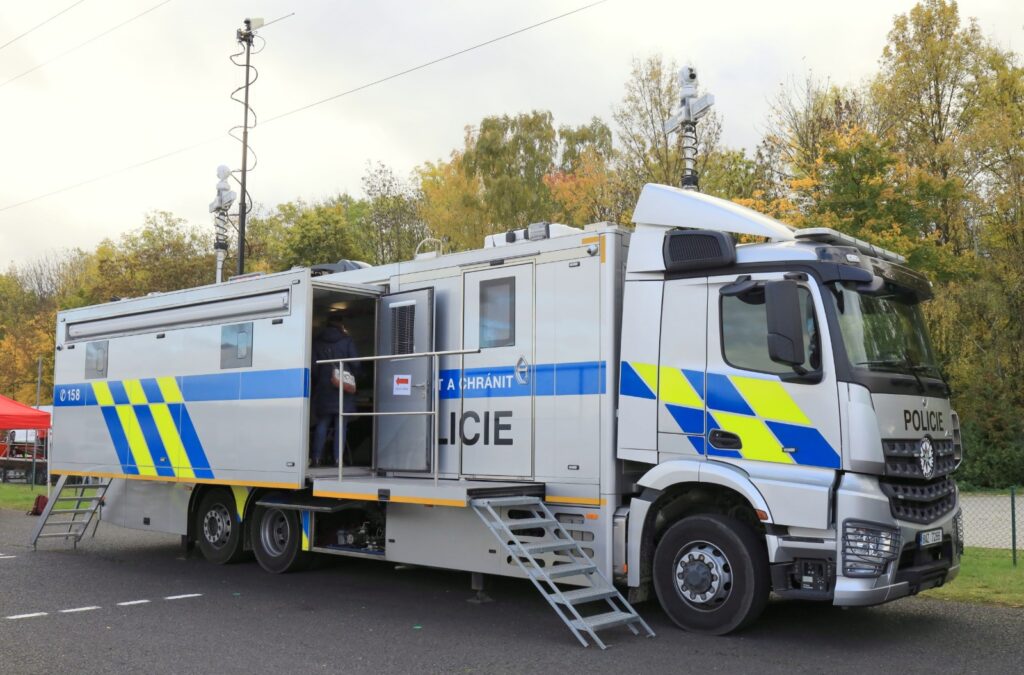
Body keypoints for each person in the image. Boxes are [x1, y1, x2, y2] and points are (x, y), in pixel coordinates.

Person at [311, 312, 359, 467]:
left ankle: (316, 458)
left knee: (322, 423)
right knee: (341, 425)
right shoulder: (347, 340)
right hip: (342, 388)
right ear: (341, 324)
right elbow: (356, 363)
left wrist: (321, 380)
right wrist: (352, 376)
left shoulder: (316, 342)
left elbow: (313, 368)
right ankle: (338, 460)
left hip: (324, 387)